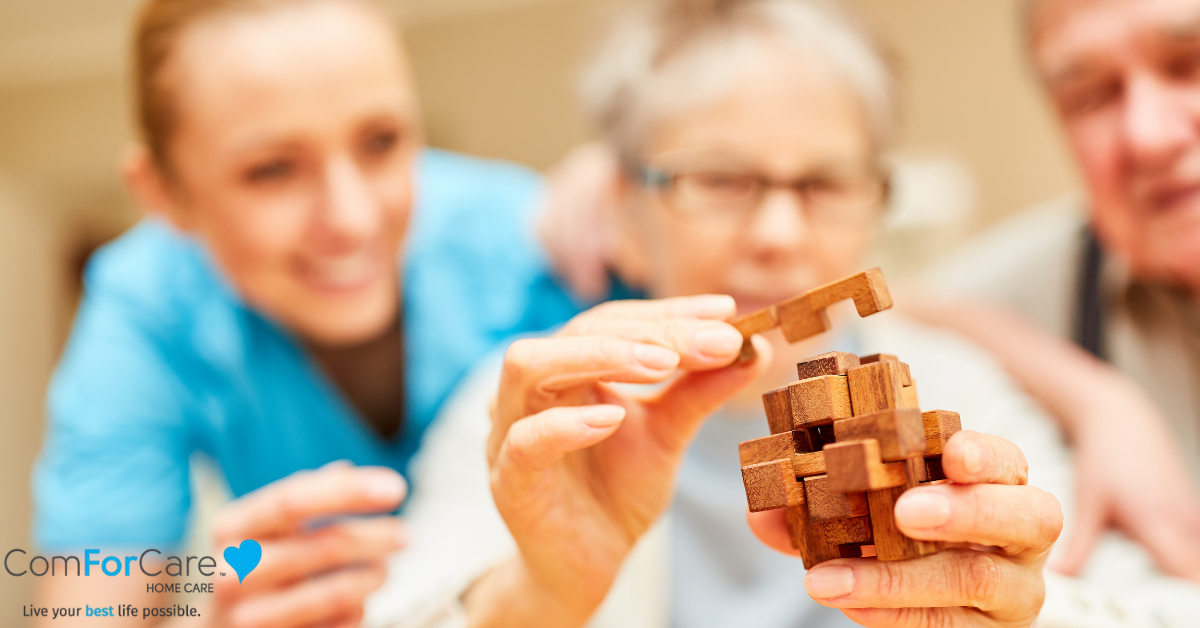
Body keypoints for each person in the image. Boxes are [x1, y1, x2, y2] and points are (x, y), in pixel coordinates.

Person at [366, 1, 1101, 626]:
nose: (778, 235)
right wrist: (539, 596)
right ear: (624, 215)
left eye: (824, 183)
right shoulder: (532, 411)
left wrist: (1020, 607)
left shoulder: (962, 394)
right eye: (718, 179)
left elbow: (1121, 603)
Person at [31, 0, 590, 625]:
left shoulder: (540, 242)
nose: (351, 219)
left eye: (380, 142)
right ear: (163, 193)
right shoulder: (148, 309)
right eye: (273, 170)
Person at [915, 0, 1200, 581]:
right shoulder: (1053, 279)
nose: (1147, 136)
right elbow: (876, 307)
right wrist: (1095, 397)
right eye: (1088, 97)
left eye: (1190, 62)